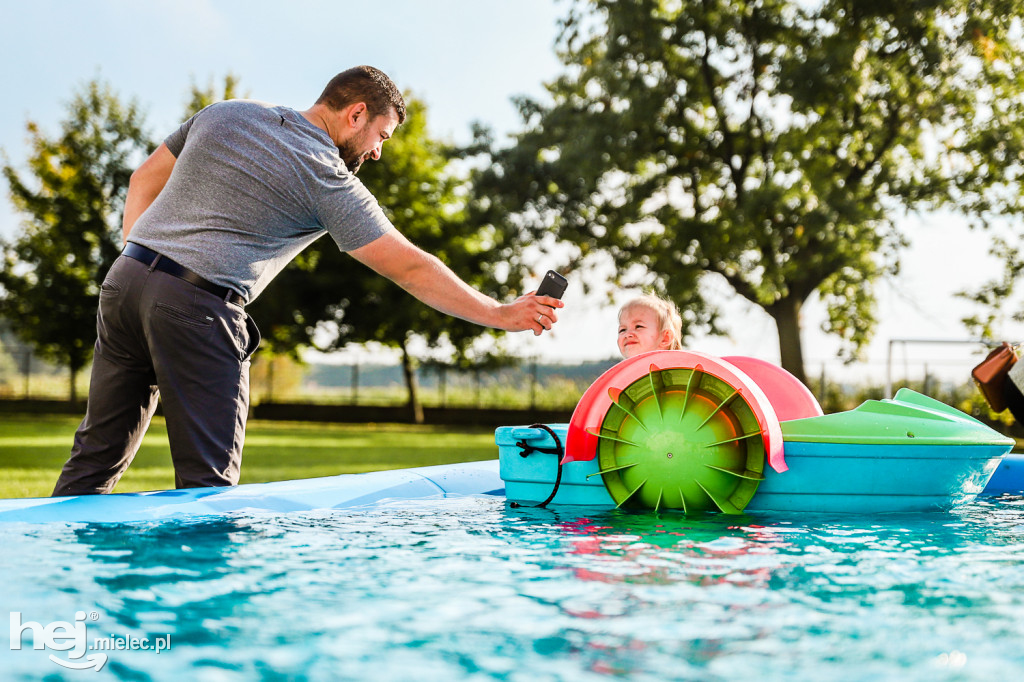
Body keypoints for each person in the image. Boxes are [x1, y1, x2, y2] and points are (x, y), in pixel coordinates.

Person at [52, 65, 563, 497]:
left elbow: (143, 178)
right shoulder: (324, 174)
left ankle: (56, 588)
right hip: (198, 305)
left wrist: (139, 259)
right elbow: (409, 266)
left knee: (94, 459)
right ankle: (201, 612)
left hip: (125, 282)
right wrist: (499, 313)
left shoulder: (227, 112)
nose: (378, 153)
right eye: (381, 136)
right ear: (355, 113)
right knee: (207, 490)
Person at [616, 294, 683, 359]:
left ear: (665, 338)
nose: (627, 334)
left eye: (638, 326)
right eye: (622, 330)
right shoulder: (622, 370)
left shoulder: (680, 368)